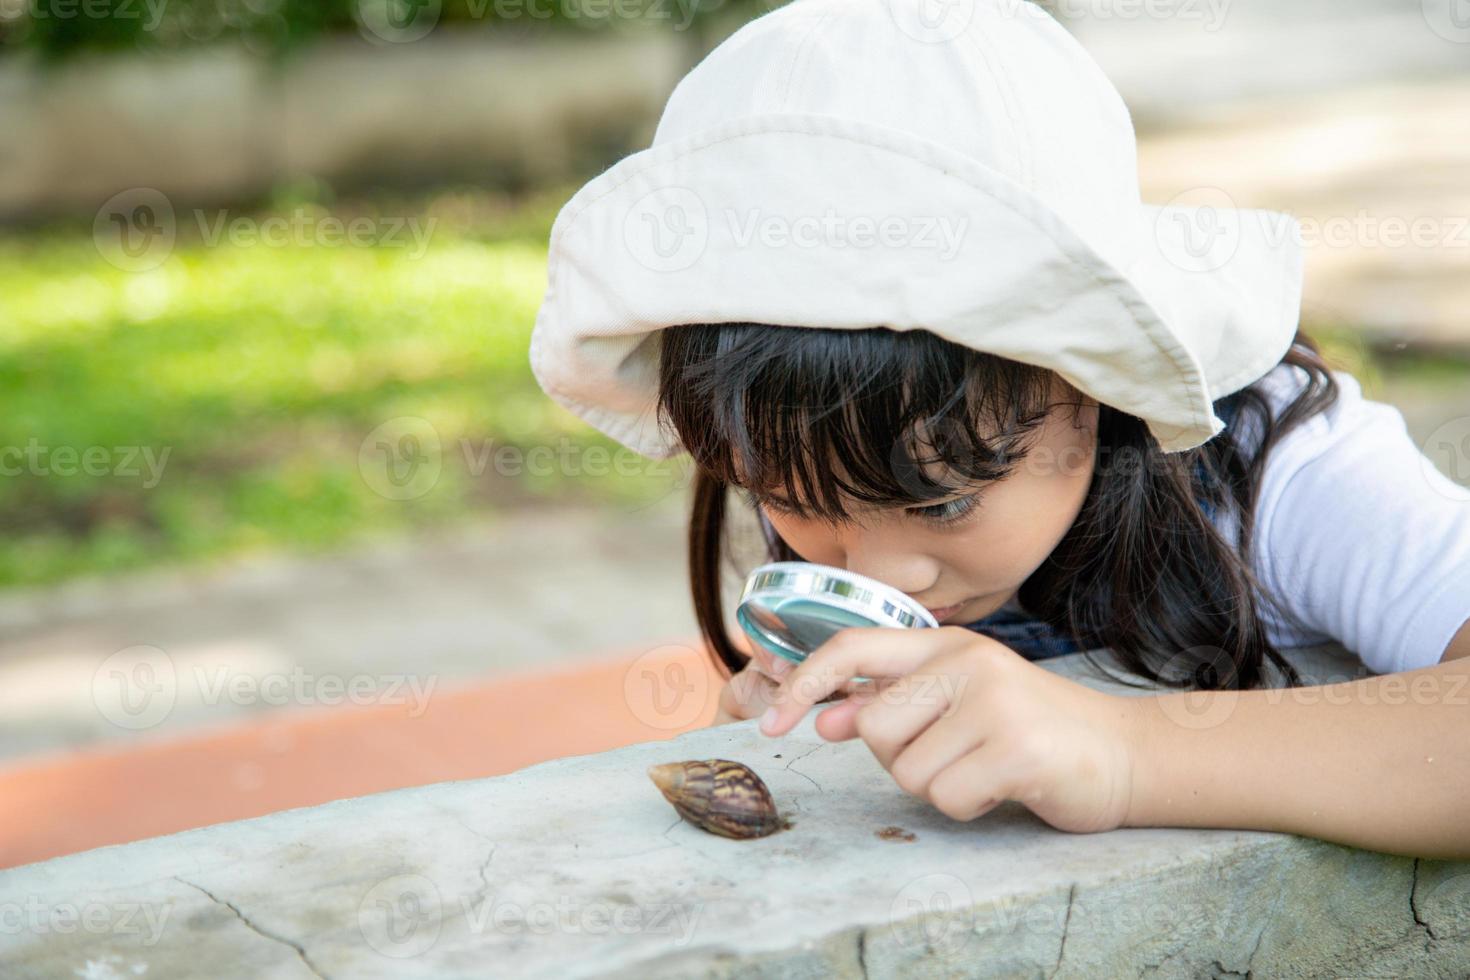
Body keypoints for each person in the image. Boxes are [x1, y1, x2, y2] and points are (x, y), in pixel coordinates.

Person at [527, 0, 1470, 859]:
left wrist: (1119, 753)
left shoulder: (1281, 469)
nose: (877, 575)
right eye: (794, 497)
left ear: (1097, 383)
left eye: (947, 500)